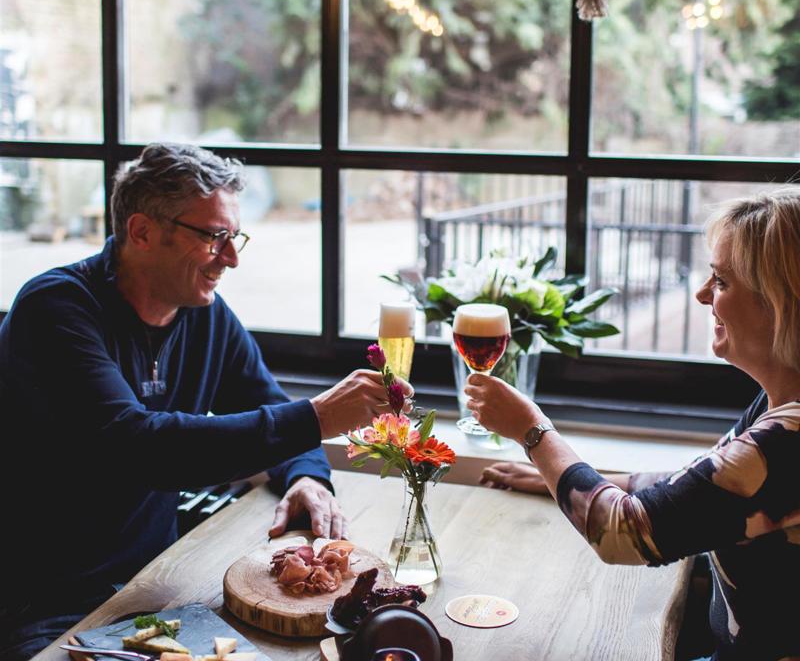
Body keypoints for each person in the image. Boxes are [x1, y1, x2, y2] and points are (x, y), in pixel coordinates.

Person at [0, 143, 405, 661]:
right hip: (42, 604)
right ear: (143, 232)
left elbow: (266, 401)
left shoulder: (204, 314)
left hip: (156, 581)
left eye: (234, 237)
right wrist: (318, 417)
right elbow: (138, 447)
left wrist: (306, 475)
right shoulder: (55, 309)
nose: (232, 258)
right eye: (215, 238)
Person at [467, 188, 800, 661]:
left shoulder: (788, 441)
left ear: (780, 304)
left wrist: (532, 431)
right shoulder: (778, 406)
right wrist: (568, 480)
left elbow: (623, 534)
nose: (703, 294)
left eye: (722, 282)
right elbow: (701, 484)